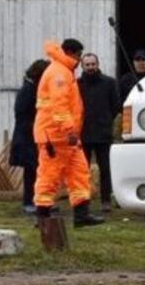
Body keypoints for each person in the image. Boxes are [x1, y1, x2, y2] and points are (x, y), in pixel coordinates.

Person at [33, 38, 104, 228]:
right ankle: (42, 217)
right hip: (56, 136)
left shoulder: (63, 71)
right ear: (72, 53)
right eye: (80, 55)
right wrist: (70, 130)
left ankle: (81, 215)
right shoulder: (59, 73)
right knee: (49, 176)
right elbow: (59, 105)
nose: (81, 60)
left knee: (80, 174)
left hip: (65, 137)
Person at [78, 53, 121, 213]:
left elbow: (116, 105)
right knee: (82, 170)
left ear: (98, 64)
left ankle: (105, 201)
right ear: (82, 66)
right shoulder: (77, 85)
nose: (90, 67)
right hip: (83, 133)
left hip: (103, 132)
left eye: (93, 64)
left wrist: (106, 118)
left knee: (105, 168)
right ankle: (83, 200)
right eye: (87, 64)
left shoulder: (109, 83)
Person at [10, 59, 49, 215]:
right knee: (31, 170)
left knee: (38, 170)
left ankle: (39, 199)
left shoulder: (34, 88)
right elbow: (22, 113)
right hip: (27, 136)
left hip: (33, 134)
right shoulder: (28, 90)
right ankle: (29, 200)